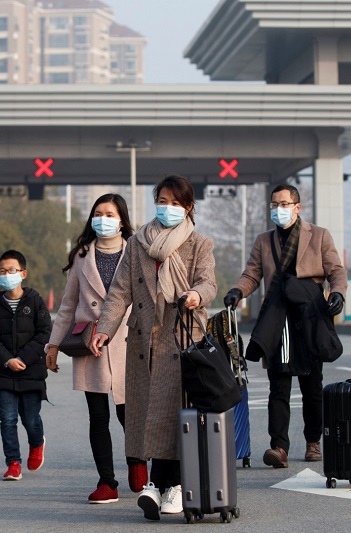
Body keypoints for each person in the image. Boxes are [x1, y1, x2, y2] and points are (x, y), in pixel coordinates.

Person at [90, 175, 216, 521]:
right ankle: (160, 487)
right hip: (144, 340)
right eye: (162, 200)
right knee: (149, 414)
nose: (168, 208)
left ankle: (169, 486)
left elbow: (209, 282)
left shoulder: (199, 243)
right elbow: (120, 291)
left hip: (182, 338)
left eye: (176, 203)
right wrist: (104, 329)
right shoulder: (138, 243)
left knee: (172, 412)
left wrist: (196, 294)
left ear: (188, 207)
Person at [224, 183, 347, 469]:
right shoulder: (264, 240)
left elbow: (336, 271)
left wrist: (338, 293)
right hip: (277, 318)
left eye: (283, 204)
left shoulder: (319, 235)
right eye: (274, 205)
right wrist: (238, 291)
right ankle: (278, 446)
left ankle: (313, 441)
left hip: (311, 316)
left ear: (297, 207)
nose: (278, 209)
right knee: (278, 385)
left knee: (312, 385)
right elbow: (252, 274)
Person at [45, 193, 148, 504]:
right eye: (98, 213)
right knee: (97, 416)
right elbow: (68, 305)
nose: (103, 219)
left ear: (122, 220)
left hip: (128, 341)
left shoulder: (137, 249)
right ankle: (107, 482)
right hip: (90, 342)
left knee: (129, 413)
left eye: (110, 213)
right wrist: (53, 344)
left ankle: (137, 462)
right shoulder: (81, 255)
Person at [0, 249, 51, 481]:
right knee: (8, 418)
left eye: (11, 270)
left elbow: (44, 333)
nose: (7, 274)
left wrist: (23, 358)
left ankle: (36, 442)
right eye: (2, 271)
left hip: (31, 371)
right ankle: (13, 463)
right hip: (3, 373)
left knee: (31, 419)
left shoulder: (35, 300)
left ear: (23, 274)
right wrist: (7, 360)